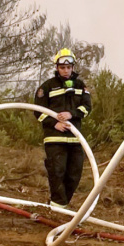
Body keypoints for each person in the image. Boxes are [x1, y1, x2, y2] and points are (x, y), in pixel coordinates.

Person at [33, 48, 92, 208]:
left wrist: (71, 114)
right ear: (57, 68)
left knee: (74, 174)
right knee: (57, 172)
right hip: (54, 138)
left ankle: (61, 204)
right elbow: (38, 111)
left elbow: (87, 107)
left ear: (73, 67)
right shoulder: (47, 87)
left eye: (68, 67)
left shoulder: (80, 86)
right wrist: (55, 123)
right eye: (62, 67)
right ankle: (58, 206)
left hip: (75, 138)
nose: (66, 71)